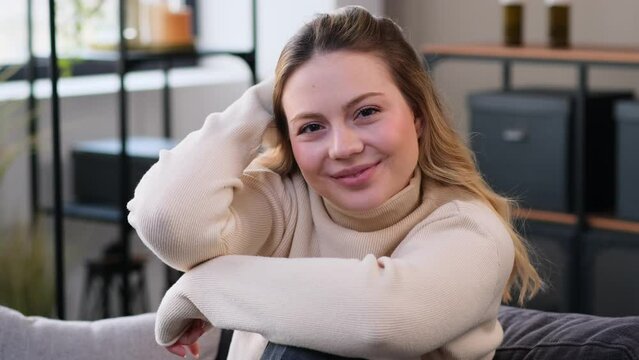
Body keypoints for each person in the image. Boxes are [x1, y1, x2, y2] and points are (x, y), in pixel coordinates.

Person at [127, 6, 542, 360]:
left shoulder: (471, 229)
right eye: (311, 126)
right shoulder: (284, 202)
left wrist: (204, 286)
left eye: (366, 112)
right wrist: (265, 100)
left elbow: (382, 319)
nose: (343, 148)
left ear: (417, 116)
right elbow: (169, 221)